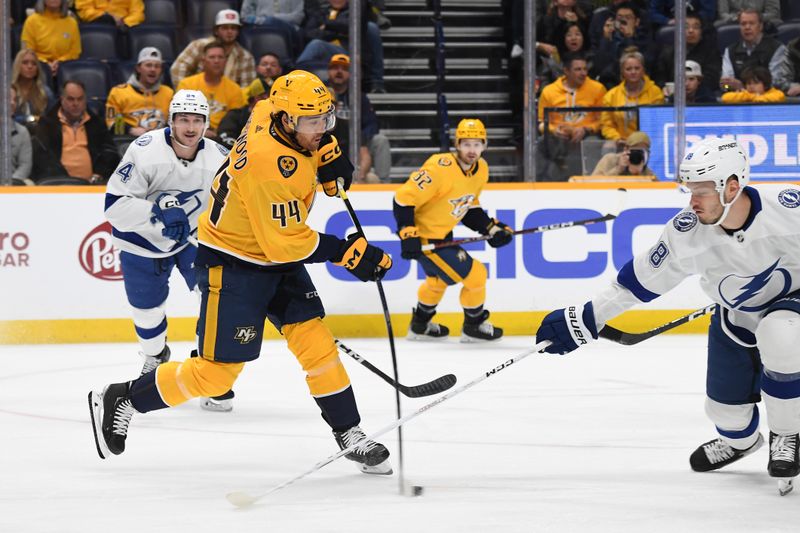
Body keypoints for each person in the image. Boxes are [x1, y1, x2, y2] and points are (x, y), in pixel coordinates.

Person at [88, 70, 395, 476]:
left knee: (317, 344)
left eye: (326, 119)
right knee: (216, 377)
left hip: (272, 253)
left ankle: (350, 432)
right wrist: (348, 253)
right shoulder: (269, 166)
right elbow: (288, 243)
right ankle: (122, 397)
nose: (320, 128)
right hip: (235, 262)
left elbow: (280, 116)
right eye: (312, 123)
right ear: (287, 121)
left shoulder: (271, 108)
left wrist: (327, 151)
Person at [535, 137, 800, 492]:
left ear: (732, 187)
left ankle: (786, 435)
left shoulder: (789, 209)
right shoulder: (686, 232)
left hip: (792, 304)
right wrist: (586, 318)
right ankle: (741, 443)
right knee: (724, 412)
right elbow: (635, 284)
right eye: (690, 190)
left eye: (703, 191)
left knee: (780, 335)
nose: (692, 201)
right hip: (735, 316)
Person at [103, 89, 235, 411]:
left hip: (193, 240)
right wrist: (157, 210)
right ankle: (154, 355)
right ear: (171, 120)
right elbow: (114, 207)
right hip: (142, 242)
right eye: (183, 120)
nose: (190, 128)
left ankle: (206, 370)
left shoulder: (219, 158)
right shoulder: (145, 150)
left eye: (197, 120)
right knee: (147, 312)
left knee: (217, 299)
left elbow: (232, 206)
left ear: (206, 123)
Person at [394, 118, 513, 342]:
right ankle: (473, 326)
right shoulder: (439, 167)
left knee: (437, 281)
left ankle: (420, 325)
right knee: (476, 275)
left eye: (477, 144)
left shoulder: (482, 169)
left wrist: (490, 227)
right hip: (424, 238)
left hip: (442, 235)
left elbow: (468, 207)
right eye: (466, 144)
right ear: (457, 144)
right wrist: (407, 232)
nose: (472, 150)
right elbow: (402, 199)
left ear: (485, 145)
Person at [32, 80, 120, 184]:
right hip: (58, 185)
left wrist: (99, 174)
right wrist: (65, 180)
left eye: (80, 99)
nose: (76, 103)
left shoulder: (96, 122)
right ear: (62, 99)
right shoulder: (47, 123)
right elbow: (43, 158)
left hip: (92, 186)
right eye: (70, 99)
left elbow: (109, 152)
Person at [537, 52, 607, 181]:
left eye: (585, 69)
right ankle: (543, 182)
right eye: (578, 69)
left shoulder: (598, 89)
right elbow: (541, 122)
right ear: (566, 71)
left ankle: (593, 182)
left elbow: (603, 120)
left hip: (587, 135)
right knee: (542, 143)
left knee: (593, 142)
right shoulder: (549, 91)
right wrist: (554, 130)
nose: (583, 73)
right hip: (558, 136)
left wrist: (586, 129)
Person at [327, 53, 391, 182]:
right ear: (328, 71)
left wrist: (358, 138)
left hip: (357, 141)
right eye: (335, 68)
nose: (339, 72)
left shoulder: (359, 97)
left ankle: (384, 183)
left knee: (380, 140)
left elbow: (372, 124)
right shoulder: (320, 93)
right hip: (328, 141)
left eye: (344, 69)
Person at [298, 0, 386, 93]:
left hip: (347, 54)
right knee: (314, 45)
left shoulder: (353, 13)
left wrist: (327, 25)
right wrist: (335, 32)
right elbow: (308, 34)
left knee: (317, 45)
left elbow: (351, 26)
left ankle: (296, 72)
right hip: (326, 59)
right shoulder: (322, 13)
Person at [170, 9, 256, 88]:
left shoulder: (245, 57)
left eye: (233, 28)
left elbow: (247, 89)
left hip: (228, 101)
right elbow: (177, 70)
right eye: (225, 28)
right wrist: (188, 95)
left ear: (238, 32)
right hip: (197, 98)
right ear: (216, 30)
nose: (229, 31)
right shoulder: (199, 45)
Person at [176, 41, 246, 136]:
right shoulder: (187, 85)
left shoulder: (235, 89)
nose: (216, 61)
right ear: (203, 61)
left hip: (222, 137)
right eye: (212, 57)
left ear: (225, 61)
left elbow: (234, 122)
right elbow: (181, 116)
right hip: (191, 133)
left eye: (220, 57)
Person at [105, 47, 175, 136]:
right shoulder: (118, 92)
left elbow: (174, 123)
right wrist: (131, 130)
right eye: (148, 65)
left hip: (161, 140)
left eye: (157, 66)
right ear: (138, 68)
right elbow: (111, 123)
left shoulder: (168, 93)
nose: (153, 70)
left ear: (161, 70)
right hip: (129, 140)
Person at [600, 48, 664, 144]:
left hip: (648, 143)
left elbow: (659, 123)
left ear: (643, 70)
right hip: (620, 143)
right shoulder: (611, 95)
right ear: (622, 72)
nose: (633, 72)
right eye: (628, 69)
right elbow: (606, 125)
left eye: (637, 68)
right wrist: (617, 139)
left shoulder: (655, 92)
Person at [720, 9, 791, 93]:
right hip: (739, 100)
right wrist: (728, 86)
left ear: (760, 26)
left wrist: (744, 86)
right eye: (743, 24)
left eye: (751, 23)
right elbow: (724, 86)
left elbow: (776, 84)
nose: (747, 27)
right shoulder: (730, 50)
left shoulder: (776, 48)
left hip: (768, 100)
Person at [653, 11, 722, 94]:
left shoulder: (711, 52)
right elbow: (659, 79)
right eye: (686, 27)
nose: (691, 30)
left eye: (696, 27)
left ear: (701, 32)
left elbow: (712, 80)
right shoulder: (667, 52)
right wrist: (663, 88)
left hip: (701, 98)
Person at [20, 0, 81, 77]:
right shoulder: (31, 21)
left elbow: (75, 52)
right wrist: (46, 64)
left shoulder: (72, 23)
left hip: (64, 67)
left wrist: (59, 62)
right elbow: (28, 50)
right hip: (39, 66)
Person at [217, 77, 270, 149]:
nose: (266, 102)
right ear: (254, 98)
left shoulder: (275, 118)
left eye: (269, 98)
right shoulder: (234, 116)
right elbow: (224, 139)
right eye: (262, 98)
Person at [11, 48, 55, 126]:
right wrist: (31, 119)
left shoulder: (46, 92)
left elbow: (52, 120)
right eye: (25, 63)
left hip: (40, 134)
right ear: (18, 66)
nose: (30, 66)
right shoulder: (9, 92)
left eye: (34, 64)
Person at [590, 131, 655, 178]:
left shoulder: (646, 171)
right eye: (634, 150)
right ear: (626, 149)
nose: (636, 154)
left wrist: (639, 174)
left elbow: (657, 191)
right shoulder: (609, 159)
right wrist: (618, 169)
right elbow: (593, 185)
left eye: (641, 151)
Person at [721, 65, 786, 103]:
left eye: (756, 83)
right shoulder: (746, 94)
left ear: (765, 84)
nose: (751, 86)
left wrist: (751, 97)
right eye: (749, 83)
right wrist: (751, 96)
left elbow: (779, 97)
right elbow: (725, 97)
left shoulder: (775, 93)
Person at [9, 88, 34, 185]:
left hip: (13, 183)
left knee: (29, 184)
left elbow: (25, 165)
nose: (12, 103)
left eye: (15, 99)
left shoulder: (22, 132)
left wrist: (9, 184)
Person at [75, 0, 144, 28]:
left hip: (123, 27)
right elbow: (85, 11)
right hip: (96, 23)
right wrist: (108, 16)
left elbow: (138, 13)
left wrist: (123, 22)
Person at [716, 0, 782, 28]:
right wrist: (736, 18)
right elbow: (723, 14)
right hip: (735, 20)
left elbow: (773, 13)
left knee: (776, 22)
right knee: (718, 24)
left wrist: (755, 17)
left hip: (762, 20)